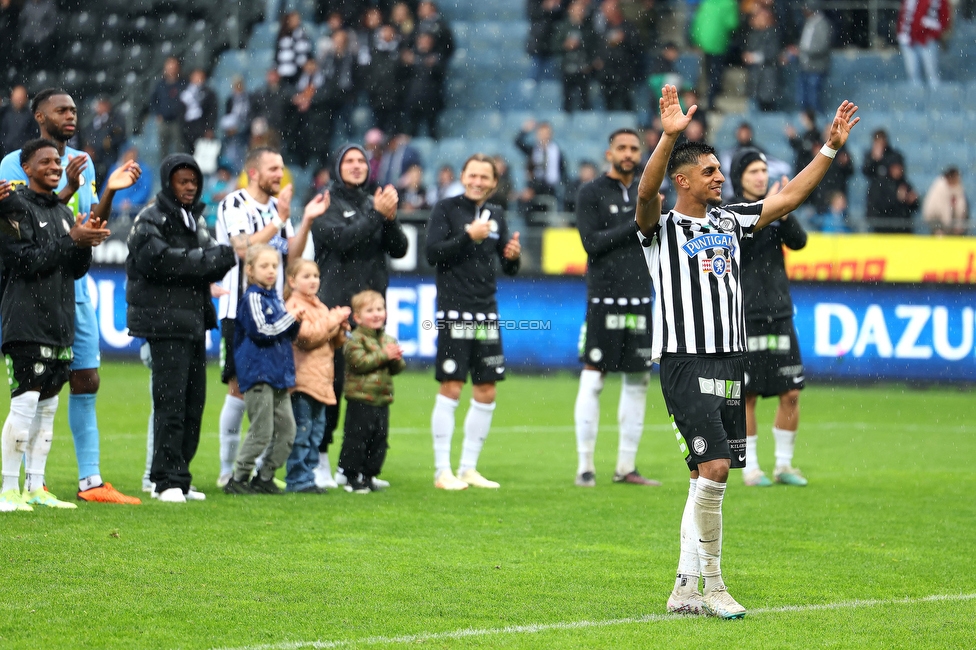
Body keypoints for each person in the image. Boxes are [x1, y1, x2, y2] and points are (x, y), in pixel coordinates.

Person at [635, 85, 858, 618]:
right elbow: (645, 197)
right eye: (710, 172)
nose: (720, 178)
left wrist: (828, 149)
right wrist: (668, 139)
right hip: (685, 361)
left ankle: (684, 590)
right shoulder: (662, 228)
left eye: (720, 170)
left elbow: (788, 198)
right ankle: (713, 586)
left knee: (705, 477)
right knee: (713, 468)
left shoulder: (730, 221)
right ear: (683, 180)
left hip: (732, 362)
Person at [0, 88, 143, 505]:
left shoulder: (82, 163)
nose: (70, 115)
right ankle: (22, 484)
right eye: (61, 109)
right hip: (35, 288)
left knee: (84, 378)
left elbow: (76, 220)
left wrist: (108, 194)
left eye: (74, 110)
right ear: (39, 116)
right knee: (30, 391)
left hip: (73, 289)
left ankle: (89, 481)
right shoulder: (12, 162)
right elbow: (27, 222)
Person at [0, 139, 108, 512]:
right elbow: (23, 261)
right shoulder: (12, 207)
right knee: (25, 404)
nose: (54, 165)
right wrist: (72, 241)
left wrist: (84, 242)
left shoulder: (64, 213)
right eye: (45, 161)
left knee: (47, 410)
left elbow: (74, 269)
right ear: (25, 168)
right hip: (26, 321)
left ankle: (35, 487)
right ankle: (7, 489)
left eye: (57, 161)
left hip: (60, 321)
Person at [214, 147, 328, 489]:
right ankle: (227, 469)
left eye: (282, 168)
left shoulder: (280, 211)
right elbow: (242, 249)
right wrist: (279, 219)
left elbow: (290, 255)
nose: (281, 174)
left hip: (273, 309)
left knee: (274, 388)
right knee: (239, 389)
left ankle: (261, 472)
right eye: (274, 169)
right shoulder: (235, 203)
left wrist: (304, 219)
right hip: (239, 310)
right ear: (254, 171)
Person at [126, 154, 236, 503]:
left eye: (193, 181)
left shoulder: (194, 220)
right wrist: (211, 260)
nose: (189, 187)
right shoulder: (149, 219)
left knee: (193, 404)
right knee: (170, 403)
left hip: (192, 321)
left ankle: (181, 476)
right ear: (167, 182)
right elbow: (162, 263)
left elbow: (209, 263)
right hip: (164, 324)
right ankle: (163, 480)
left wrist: (211, 261)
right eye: (181, 181)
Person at [311, 144, 406, 488]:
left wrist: (390, 218)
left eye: (361, 160)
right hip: (336, 308)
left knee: (368, 392)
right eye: (348, 160)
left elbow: (399, 248)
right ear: (337, 167)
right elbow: (341, 239)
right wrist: (378, 215)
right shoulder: (326, 203)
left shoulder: (373, 202)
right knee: (332, 386)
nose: (356, 166)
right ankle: (319, 458)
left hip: (371, 312)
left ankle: (356, 467)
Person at [425, 153, 521, 490]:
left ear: (494, 183)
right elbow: (433, 253)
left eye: (485, 177)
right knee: (451, 386)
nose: (478, 182)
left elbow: (507, 268)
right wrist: (469, 235)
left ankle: (468, 468)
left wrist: (512, 257)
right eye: (473, 175)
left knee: (486, 390)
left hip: (487, 312)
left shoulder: (496, 214)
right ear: (463, 177)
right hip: (455, 311)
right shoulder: (446, 209)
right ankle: (442, 471)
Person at [574, 129, 659, 488]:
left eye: (634, 148)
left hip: (641, 299)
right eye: (621, 148)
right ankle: (585, 467)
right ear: (609, 153)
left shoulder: (649, 193)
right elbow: (591, 244)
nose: (628, 154)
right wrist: (635, 226)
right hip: (603, 300)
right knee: (594, 379)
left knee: (638, 381)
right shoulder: (591, 192)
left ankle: (626, 466)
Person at [729, 148, 809, 488]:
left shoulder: (779, 209)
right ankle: (751, 468)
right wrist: (769, 212)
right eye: (753, 171)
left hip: (780, 312)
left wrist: (784, 211)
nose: (761, 176)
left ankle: (784, 465)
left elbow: (800, 242)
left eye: (764, 170)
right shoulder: (729, 213)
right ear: (740, 178)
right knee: (748, 395)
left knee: (790, 392)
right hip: (746, 316)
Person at [223, 245, 303, 495]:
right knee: (262, 431)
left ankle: (265, 476)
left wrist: (294, 322)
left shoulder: (274, 298)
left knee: (287, 430)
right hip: (258, 373)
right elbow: (262, 331)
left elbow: (285, 334)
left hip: (277, 374)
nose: (271, 271)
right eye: (264, 266)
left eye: (275, 266)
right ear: (250, 270)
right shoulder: (253, 298)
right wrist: (291, 318)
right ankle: (238, 478)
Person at [284, 259, 350, 493]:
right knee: (302, 431)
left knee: (315, 433)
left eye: (316, 276)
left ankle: (308, 477)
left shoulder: (319, 306)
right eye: (307, 276)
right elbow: (307, 337)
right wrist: (333, 320)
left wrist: (341, 330)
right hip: (303, 380)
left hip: (321, 380)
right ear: (292, 281)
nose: (313, 280)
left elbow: (331, 341)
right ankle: (297, 478)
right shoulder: (294, 306)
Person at [338, 290, 406, 493]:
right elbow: (359, 363)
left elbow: (397, 369)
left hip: (382, 399)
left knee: (379, 440)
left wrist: (396, 359)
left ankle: (369, 476)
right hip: (360, 399)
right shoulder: (354, 339)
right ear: (357, 317)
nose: (377, 314)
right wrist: (384, 355)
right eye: (370, 310)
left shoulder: (388, 339)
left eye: (380, 309)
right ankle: (350, 477)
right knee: (356, 439)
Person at [897, 0, 951, 90]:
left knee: (931, 73)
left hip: (927, 39)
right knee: (912, 73)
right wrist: (901, 32)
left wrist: (933, 33)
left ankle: (936, 99)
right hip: (908, 39)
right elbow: (904, 14)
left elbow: (945, 18)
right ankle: (916, 98)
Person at [793, 0, 832, 113]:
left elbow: (822, 47)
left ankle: (817, 123)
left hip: (816, 67)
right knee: (802, 99)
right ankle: (806, 124)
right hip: (805, 66)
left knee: (814, 99)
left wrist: (801, 51)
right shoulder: (809, 22)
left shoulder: (823, 24)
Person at [149, 57, 186, 158]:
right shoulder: (160, 85)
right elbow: (153, 100)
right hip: (164, 121)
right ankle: (165, 170)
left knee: (179, 148)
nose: (171, 69)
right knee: (163, 149)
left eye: (173, 66)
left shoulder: (183, 84)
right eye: (169, 66)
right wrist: (157, 114)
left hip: (177, 121)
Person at [180, 69, 219, 154]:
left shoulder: (209, 93)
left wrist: (209, 128)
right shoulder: (185, 91)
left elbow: (212, 111)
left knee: (200, 153)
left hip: (201, 127)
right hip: (187, 127)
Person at [922, 167, 968, 236]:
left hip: (947, 223)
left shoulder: (956, 187)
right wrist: (951, 226)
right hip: (936, 221)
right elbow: (944, 209)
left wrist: (958, 224)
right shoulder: (941, 186)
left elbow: (961, 206)